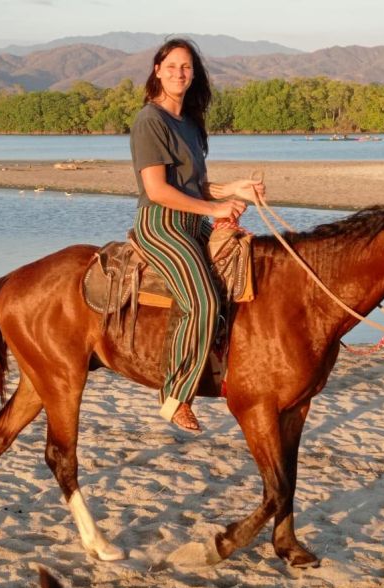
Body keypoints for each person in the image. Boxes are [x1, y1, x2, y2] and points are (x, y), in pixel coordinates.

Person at [129, 38, 264, 432]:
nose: (179, 73)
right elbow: (157, 190)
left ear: (194, 74)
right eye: (172, 66)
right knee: (202, 300)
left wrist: (234, 190)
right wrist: (215, 210)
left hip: (192, 221)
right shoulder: (149, 121)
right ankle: (175, 395)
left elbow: (194, 187)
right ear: (157, 69)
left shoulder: (189, 123)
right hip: (162, 224)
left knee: (243, 271)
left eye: (186, 67)